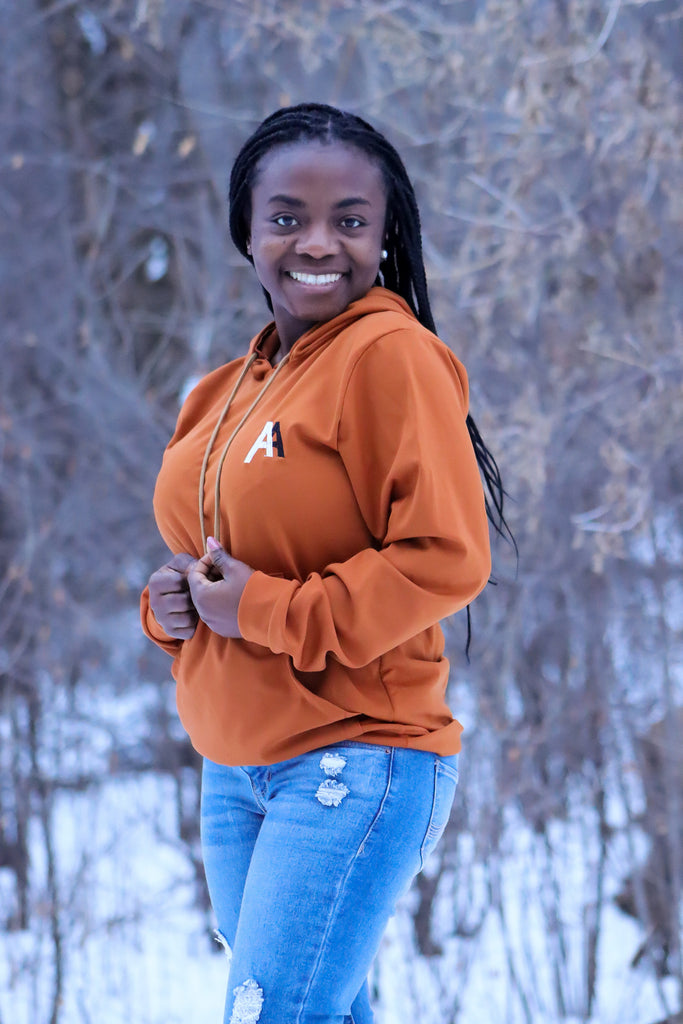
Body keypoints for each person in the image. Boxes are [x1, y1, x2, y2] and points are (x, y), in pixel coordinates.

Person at [140, 103, 510, 1024]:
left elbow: (444, 559)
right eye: (286, 217)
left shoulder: (388, 356)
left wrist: (261, 610)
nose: (318, 242)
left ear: (385, 238)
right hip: (233, 765)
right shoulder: (224, 388)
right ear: (246, 228)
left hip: (353, 756)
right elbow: (211, 553)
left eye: (349, 220)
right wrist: (170, 606)